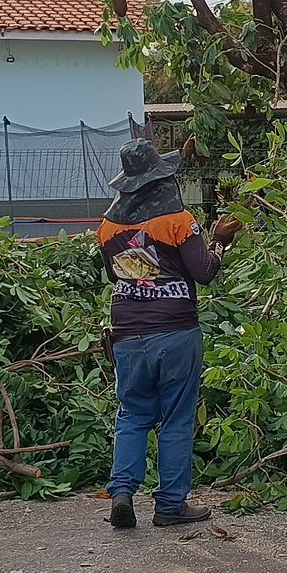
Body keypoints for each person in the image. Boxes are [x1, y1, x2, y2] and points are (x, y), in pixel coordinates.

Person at [96, 139, 241, 529]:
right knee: (176, 418)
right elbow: (204, 272)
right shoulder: (177, 220)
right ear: (161, 179)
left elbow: (116, 274)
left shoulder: (107, 226)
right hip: (175, 331)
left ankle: (122, 492)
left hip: (127, 332)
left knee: (132, 413)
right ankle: (171, 505)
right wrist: (220, 243)